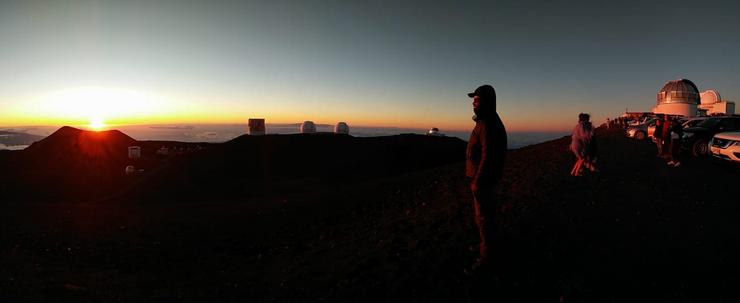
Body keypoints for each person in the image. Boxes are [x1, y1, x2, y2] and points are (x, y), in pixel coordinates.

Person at [465, 84, 507, 273]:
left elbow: (488, 156)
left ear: (486, 102)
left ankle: (487, 256)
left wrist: (477, 181)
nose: (473, 104)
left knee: (484, 219)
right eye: (473, 100)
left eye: (476, 100)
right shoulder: (485, 121)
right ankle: (485, 245)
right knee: (484, 218)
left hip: (484, 182)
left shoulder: (488, 123)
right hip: (483, 180)